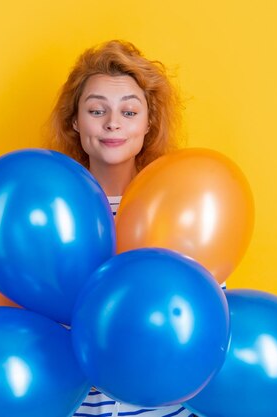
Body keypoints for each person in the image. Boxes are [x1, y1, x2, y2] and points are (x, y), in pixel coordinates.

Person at [47, 40, 199, 417]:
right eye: (97, 110)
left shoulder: (176, 208)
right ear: (75, 122)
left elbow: (207, 309)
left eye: (129, 111)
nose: (113, 122)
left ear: (149, 124)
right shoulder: (50, 214)